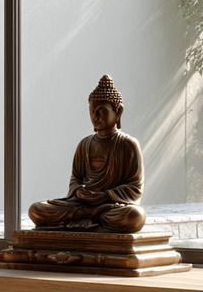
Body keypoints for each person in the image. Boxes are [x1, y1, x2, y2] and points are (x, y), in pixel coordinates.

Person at [28, 75, 146, 233]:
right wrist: (78, 191)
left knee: (135, 216)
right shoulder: (85, 144)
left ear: (118, 112)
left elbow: (135, 187)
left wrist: (106, 195)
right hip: (81, 205)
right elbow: (75, 178)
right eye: (92, 111)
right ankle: (91, 217)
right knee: (36, 210)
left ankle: (85, 219)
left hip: (110, 206)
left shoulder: (128, 144)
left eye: (101, 111)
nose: (95, 117)